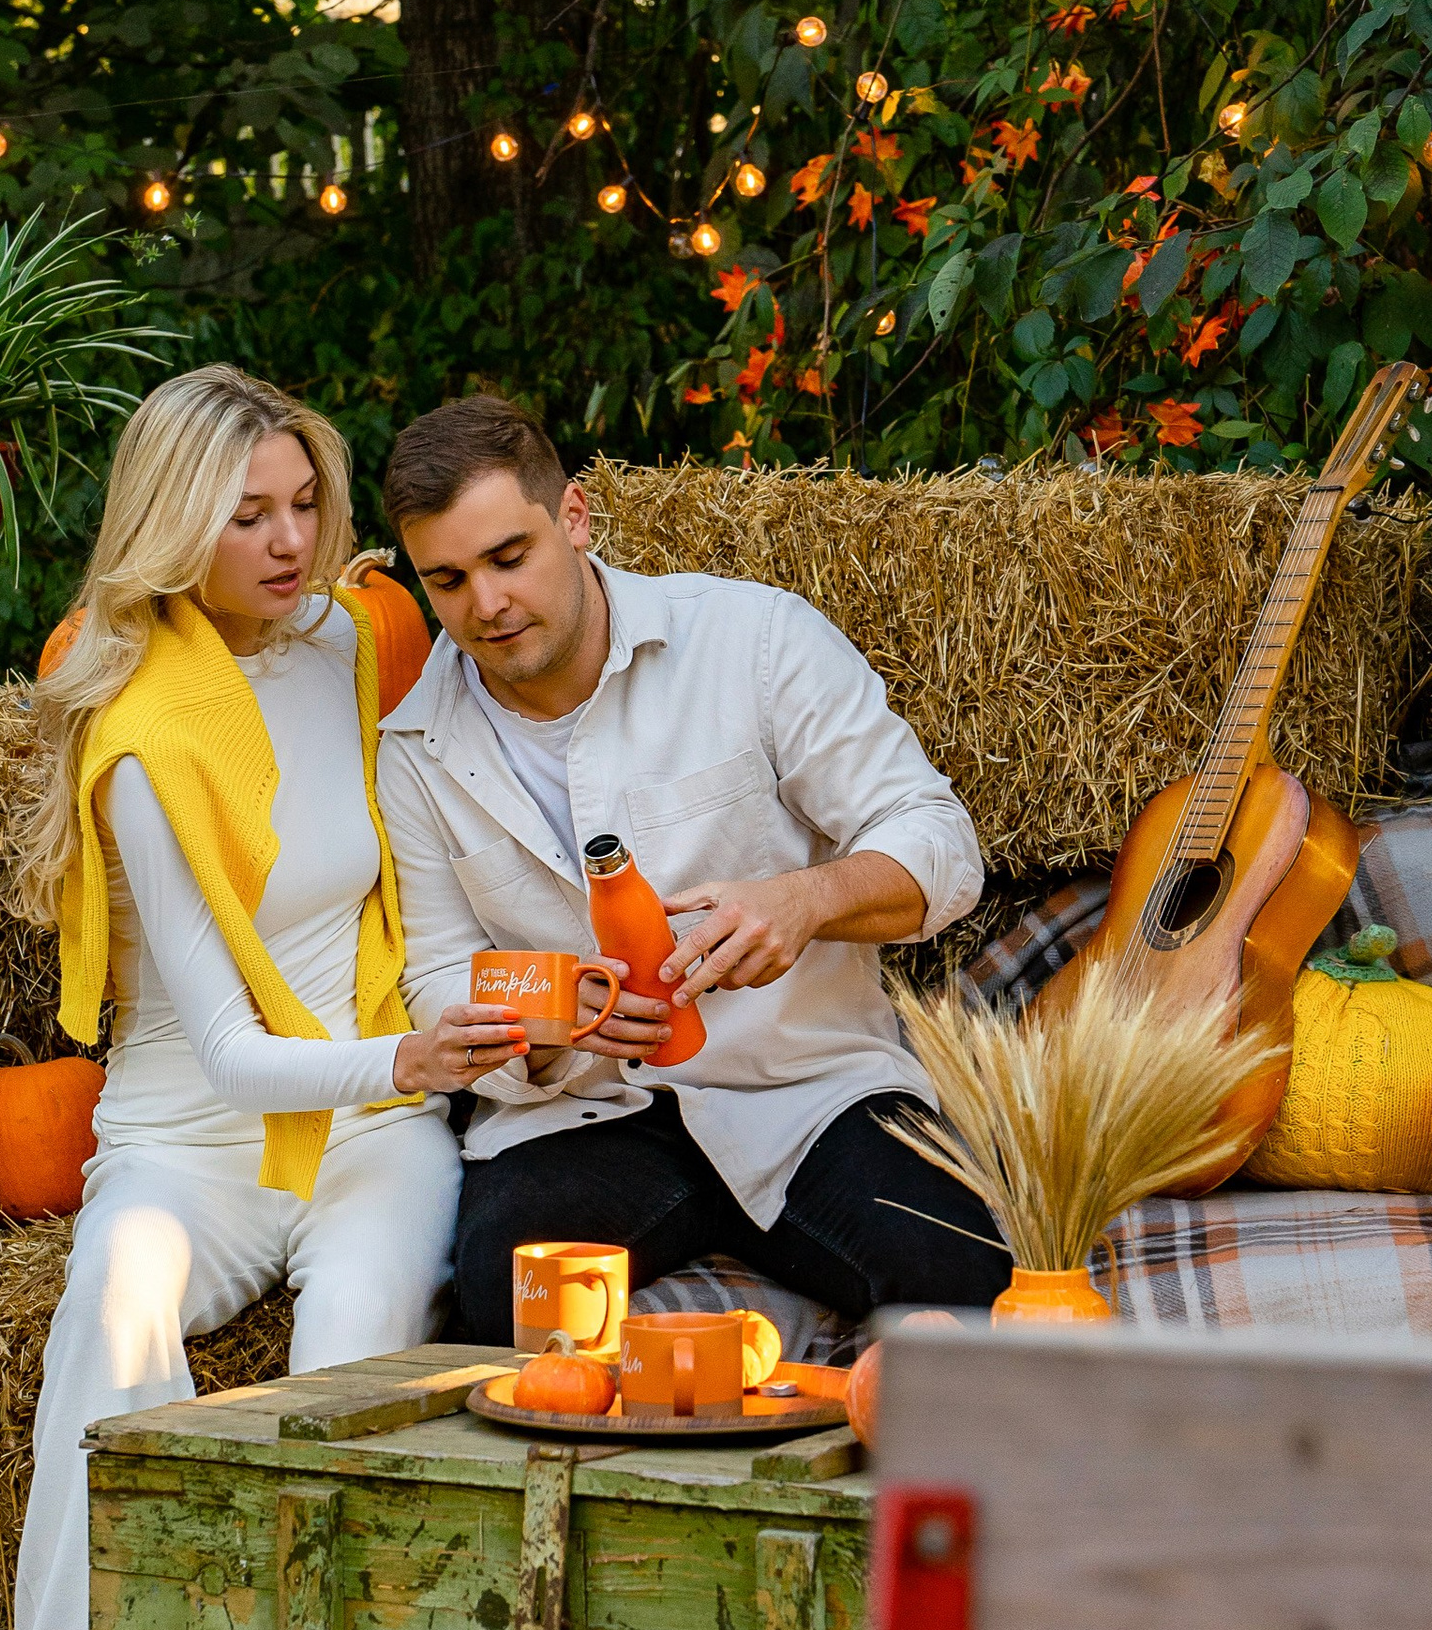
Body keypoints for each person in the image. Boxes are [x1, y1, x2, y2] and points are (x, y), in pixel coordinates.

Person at [0, 366, 521, 1630]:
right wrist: (411, 1054)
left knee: (356, 1355)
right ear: (171, 527)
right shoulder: (136, 728)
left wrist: (423, 1054)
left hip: (366, 1127)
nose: (287, 544)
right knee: (110, 1330)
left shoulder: (357, 645)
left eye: (302, 506)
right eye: (246, 516)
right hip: (192, 1136)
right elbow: (221, 1049)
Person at [373, 394, 1010, 1345]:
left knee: (973, 1284)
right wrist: (545, 1041)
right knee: (503, 1299)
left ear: (575, 518)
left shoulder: (754, 641)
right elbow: (435, 976)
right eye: (449, 579)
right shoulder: (415, 747)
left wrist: (804, 901)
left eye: (510, 557)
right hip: (584, 1115)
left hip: (802, 1089)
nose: (488, 604)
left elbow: (939, 841)